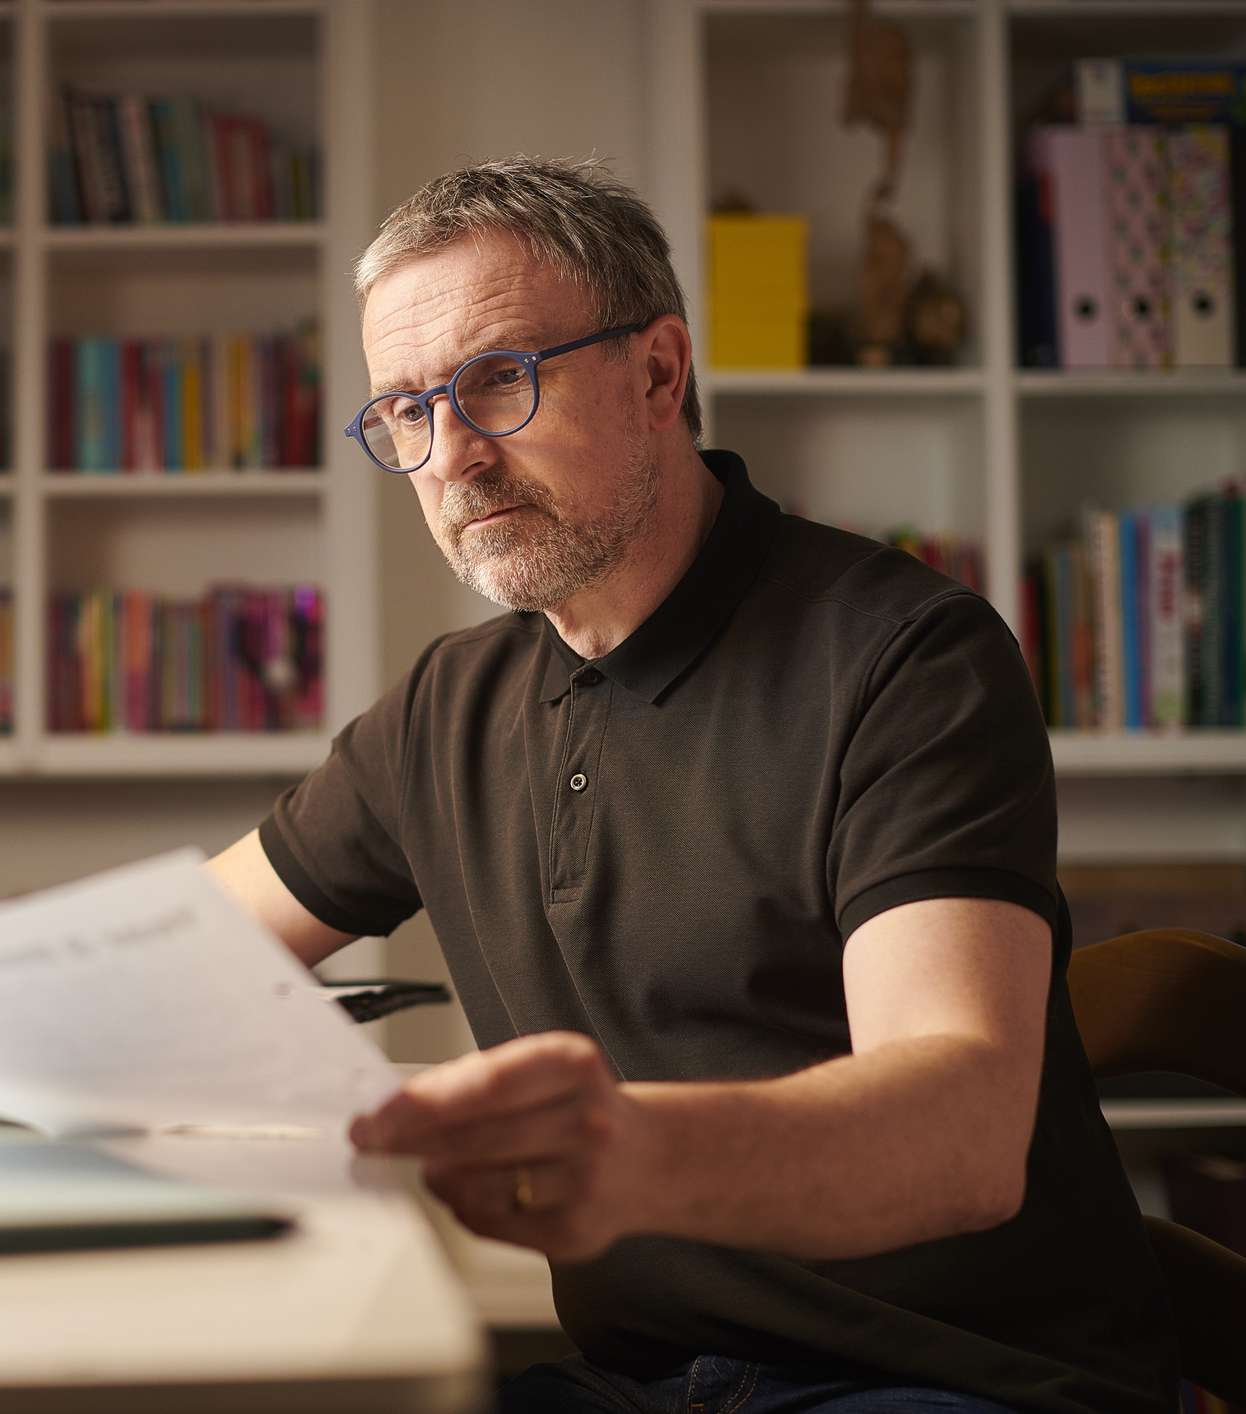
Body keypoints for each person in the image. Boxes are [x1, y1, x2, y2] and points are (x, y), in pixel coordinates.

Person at [206, 156, 1175, 1414]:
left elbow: (963, 1133)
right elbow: (181, 954)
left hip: (947, 1383)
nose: (450, 456)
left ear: (659, 373)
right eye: (405, 409)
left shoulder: (906, 657)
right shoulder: (445, 710)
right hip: (648, 1384)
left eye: (498, 381)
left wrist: (628, 1153)